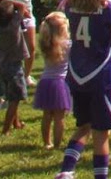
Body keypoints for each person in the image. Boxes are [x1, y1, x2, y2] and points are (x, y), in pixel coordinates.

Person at [57, 0, 111, 179]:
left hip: (77, 73)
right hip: (100, 75)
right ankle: (101, 176)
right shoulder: (108, 7)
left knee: (83, 125)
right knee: (101, 132)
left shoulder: (69, 4)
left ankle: (67, 170)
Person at [0, 0, 31, 135]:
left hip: (4, 66)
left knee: (12, 94)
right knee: (14, 100)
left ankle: (17, 123)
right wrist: (13, 2)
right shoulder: (14, 27)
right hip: (14, 66)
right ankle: (5, 128)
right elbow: (22, 6)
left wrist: (6, 4)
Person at [34, 11, 72, 149]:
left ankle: (46, 142)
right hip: (60, 83)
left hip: (45, 81)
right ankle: (57, 144)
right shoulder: (68, 44)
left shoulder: (46, 43)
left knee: (47, 115)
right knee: (59, 117)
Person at [10, 0, 47, 83]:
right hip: (15, 17)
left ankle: (26, 75)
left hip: (28, 17)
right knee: (16, 49)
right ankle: (16, 73)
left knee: (31, 47)